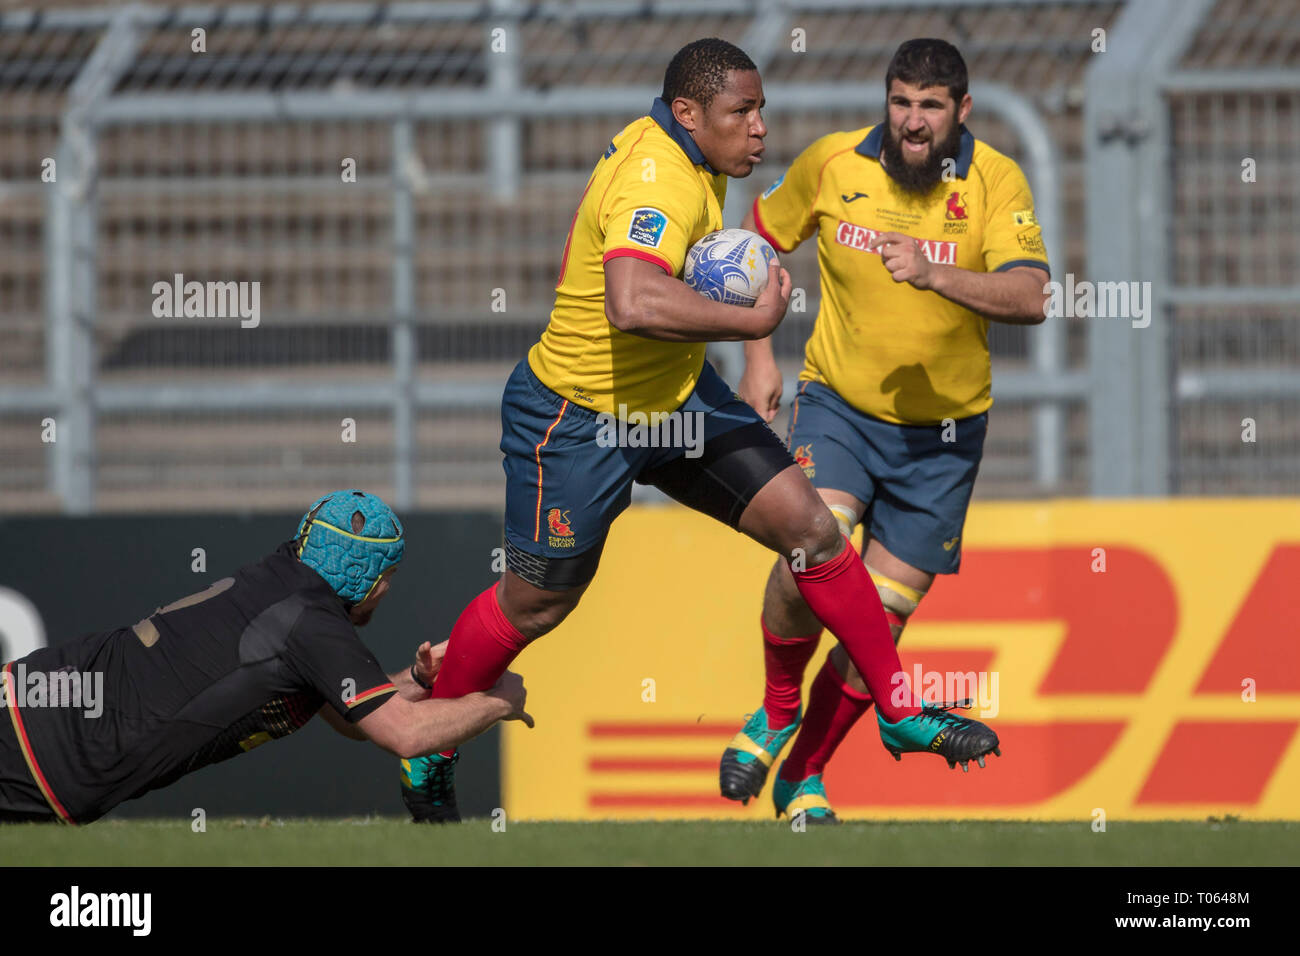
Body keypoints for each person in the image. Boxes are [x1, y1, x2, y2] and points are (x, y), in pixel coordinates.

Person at [401, 37, 1001, 824]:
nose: (759, 128)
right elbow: (631, 302)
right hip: (579, 419)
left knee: (813, 531)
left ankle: (897, 705)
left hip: (676, 399)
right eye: (742, 112)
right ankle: (428, 742)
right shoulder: (658, 176)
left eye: (762, 110)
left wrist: (745, 351)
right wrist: (753, 320)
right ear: (689, 112)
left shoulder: (695, 156)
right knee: (536, 605)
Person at [719, 38, 1048, 823]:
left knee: (884, 620)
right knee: (814, 543)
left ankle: (804, 774)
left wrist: (936, 273)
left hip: (942, 438)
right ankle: (775, 706)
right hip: (837, 405)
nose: (912, 121)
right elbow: (756, 245)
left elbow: (1032, 295)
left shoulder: (997, 180)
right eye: (901, 102)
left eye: (930, 107)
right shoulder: (835, 164)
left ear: (960, 112)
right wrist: (757, 358)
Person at [0, 489, 529, 825]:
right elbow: (406, 736)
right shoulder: (311, 625)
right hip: (48, 752)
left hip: (32, 704)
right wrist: (497, 701)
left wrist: (415, 678)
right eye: (387, 580)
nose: (386, 593)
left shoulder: (283, 585)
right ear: (371, 579)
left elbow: (352, 715)